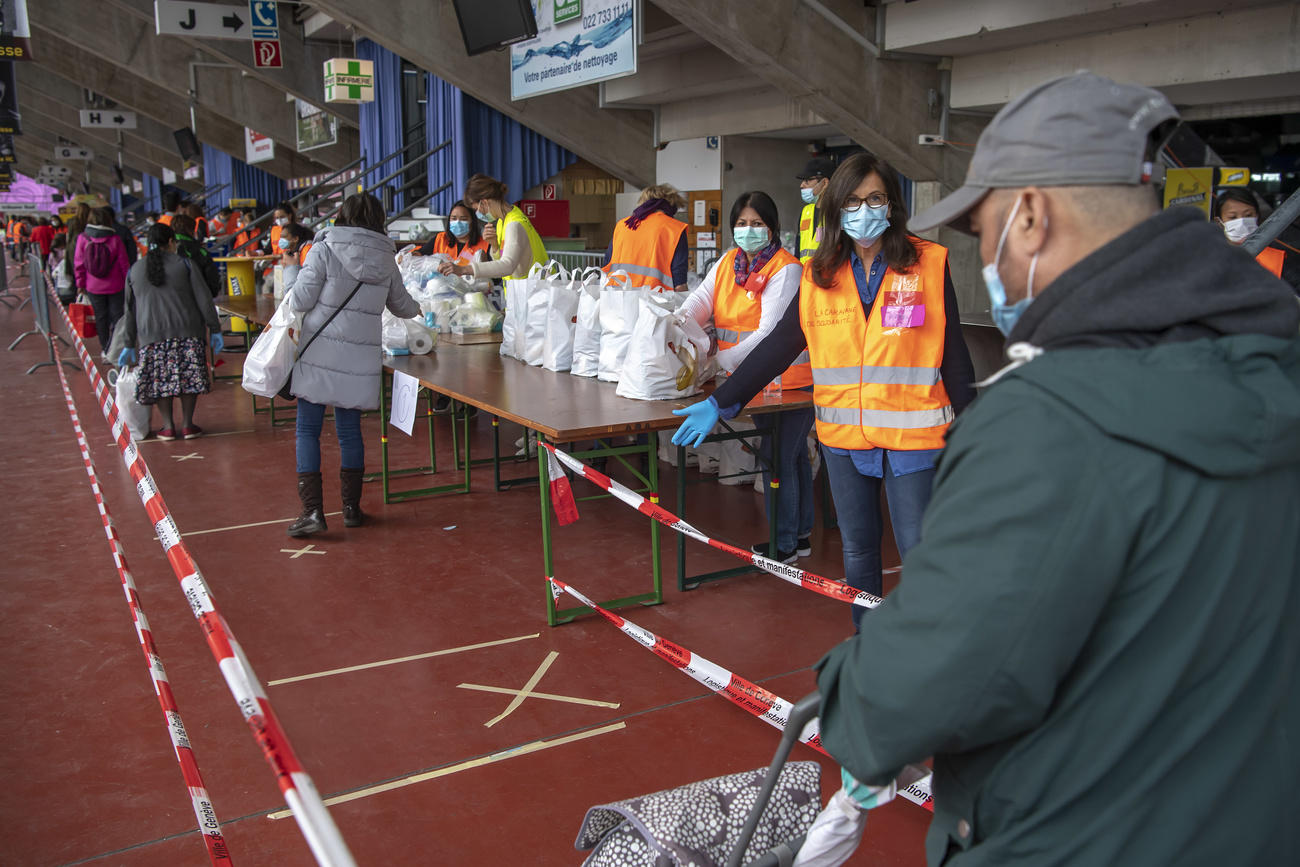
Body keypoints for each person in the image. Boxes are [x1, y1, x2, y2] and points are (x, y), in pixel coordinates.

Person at [803, 72, 1300, 866]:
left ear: (1030, 214)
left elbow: (908, 696)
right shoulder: (1275, 367)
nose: (985, 258)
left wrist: (846, 688)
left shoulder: (1047, 420)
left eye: (984, 227)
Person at [673, 152, 975, 630]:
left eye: (874, 198)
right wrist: (721, 401)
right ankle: (869, 646)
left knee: (923, 554)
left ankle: (926, 659)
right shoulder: (819, 277)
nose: (864, 210)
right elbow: (777, 346)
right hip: (842, 438)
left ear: (892, 204)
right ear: (837, 210)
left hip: (915, 437)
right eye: (852, 201)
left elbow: (954, 358)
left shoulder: (928, 265)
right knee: (858, 552)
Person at [678, 191, 814, 562]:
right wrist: (680, 322)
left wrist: (716, 361)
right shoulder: (727, 263)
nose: (748, 230)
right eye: (741, 223)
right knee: (792, 455)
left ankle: (783, 544)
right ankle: (800, 536)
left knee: (778, 459)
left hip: (790, 382)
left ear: (771, 227)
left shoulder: (786, 269)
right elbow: (698, 301)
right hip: (755, 381)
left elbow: (769, 333)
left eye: (757, 224)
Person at [284, 192, 420, 537]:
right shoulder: (387, 257)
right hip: (360, 358)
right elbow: (403, 306)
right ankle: (351, 509)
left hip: (319, 353)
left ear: (342, 215)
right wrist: (423, 306)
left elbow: (299, 299)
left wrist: (292, 276)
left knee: (307, 430)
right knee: (349, 432)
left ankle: (312, 512)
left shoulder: (323, 248)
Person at [116, 223, 222, 441]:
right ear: (172, 242)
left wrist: (128, 342)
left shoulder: (135, 270)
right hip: (188, 332)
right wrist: (215, 328)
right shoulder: (185, 264)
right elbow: (204, 299)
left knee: (159, 381)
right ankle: (187, 424)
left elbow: (129, 310)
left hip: (151, 337)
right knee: (188, 379)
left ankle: (167, 426)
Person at [437, 174, 546, 281]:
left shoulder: (514, 224)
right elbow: (502, 262)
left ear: (484, 202)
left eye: (476, 209)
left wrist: (463, 269)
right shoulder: (502, 221)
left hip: (535, 290)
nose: (478, 213)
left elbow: (507, 265)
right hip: (525, 290)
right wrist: (494, 245)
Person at [601, 183, 688, 292]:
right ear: (671, 205)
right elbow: (679, 282)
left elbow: (607, 264)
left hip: (616, 297)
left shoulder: (623, 225)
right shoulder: (674, 229)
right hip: (655, 301)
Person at [74, 206, 132, 355]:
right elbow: (124, 263)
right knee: (117, 317)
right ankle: (117, 348)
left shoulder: (83, 238)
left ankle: (105, 350)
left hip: (93, 286)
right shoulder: (115, 239)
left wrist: (80, 283)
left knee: (101, 318)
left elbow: (79, 264)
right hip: (116, 285)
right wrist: (129, 282)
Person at [1213, 186, 1289, 278]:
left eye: (1248, 215)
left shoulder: (1277, 259)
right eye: (1232, 217)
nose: (1242, 223)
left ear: (1257, 217)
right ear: (1219, 222)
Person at [418, 201, 490, 263]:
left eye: (463, 219)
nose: (458, 222)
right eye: (454, 218)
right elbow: (419, 254)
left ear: (472, 221)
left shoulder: (485, 244)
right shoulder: (440, 239)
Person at [170, 213, 222, 298]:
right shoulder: (200, 252)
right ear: (190, 230)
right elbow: (213, 285)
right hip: (196, 301)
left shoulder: (165, 251)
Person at [797, 156, 835, 264]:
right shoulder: (805, 212)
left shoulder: (838, 214)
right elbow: (798, 250)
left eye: (808, 180)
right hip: (805, 277)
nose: (802, 185)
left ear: (825, 183)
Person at [277, 221, 314, 291]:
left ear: (295, 239)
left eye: (284, 237)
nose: (281, 240)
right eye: (281, 237)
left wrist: (292, 267)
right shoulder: (292, 252)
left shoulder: (308, 249)